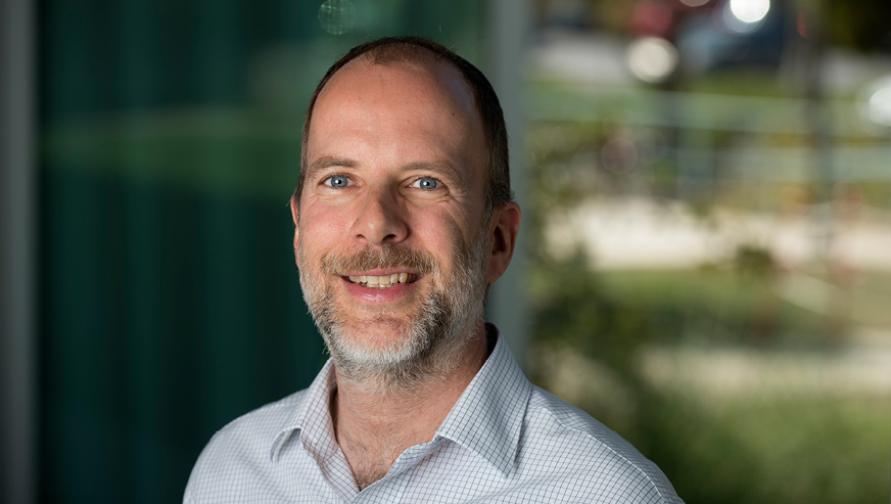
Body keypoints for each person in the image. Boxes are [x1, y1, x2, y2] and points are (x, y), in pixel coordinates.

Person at [184, 36, 683, 503]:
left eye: (425, 183)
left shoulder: (608, 494)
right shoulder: (229, 472)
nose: (376, 224)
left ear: (498, 240)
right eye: (339, 179)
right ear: (298, 229)